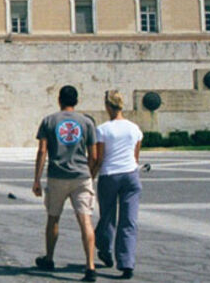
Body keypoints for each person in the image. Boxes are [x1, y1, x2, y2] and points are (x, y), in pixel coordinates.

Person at [33, 85, 98, 282]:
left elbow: (42, 151)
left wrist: (36, 179)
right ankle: (90, 266)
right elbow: (94, 155)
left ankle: (50, 258)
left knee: (53, 218)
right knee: (85, 220)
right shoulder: (86, 122)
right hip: (81, 176)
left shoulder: (49, 121)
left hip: (57, 176)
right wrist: (89, 175)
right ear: (76, 101)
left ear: (59, 100)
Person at [92, 90, 143, 280]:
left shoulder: (103, 129)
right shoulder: (134, 128)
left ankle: (104, 248)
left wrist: (90, 177)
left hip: (109, 175)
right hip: (130, 175)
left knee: (107, 217)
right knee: (129, 220)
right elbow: (135, 157)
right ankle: (127, 263)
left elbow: (99, 158)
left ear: (107, 106)